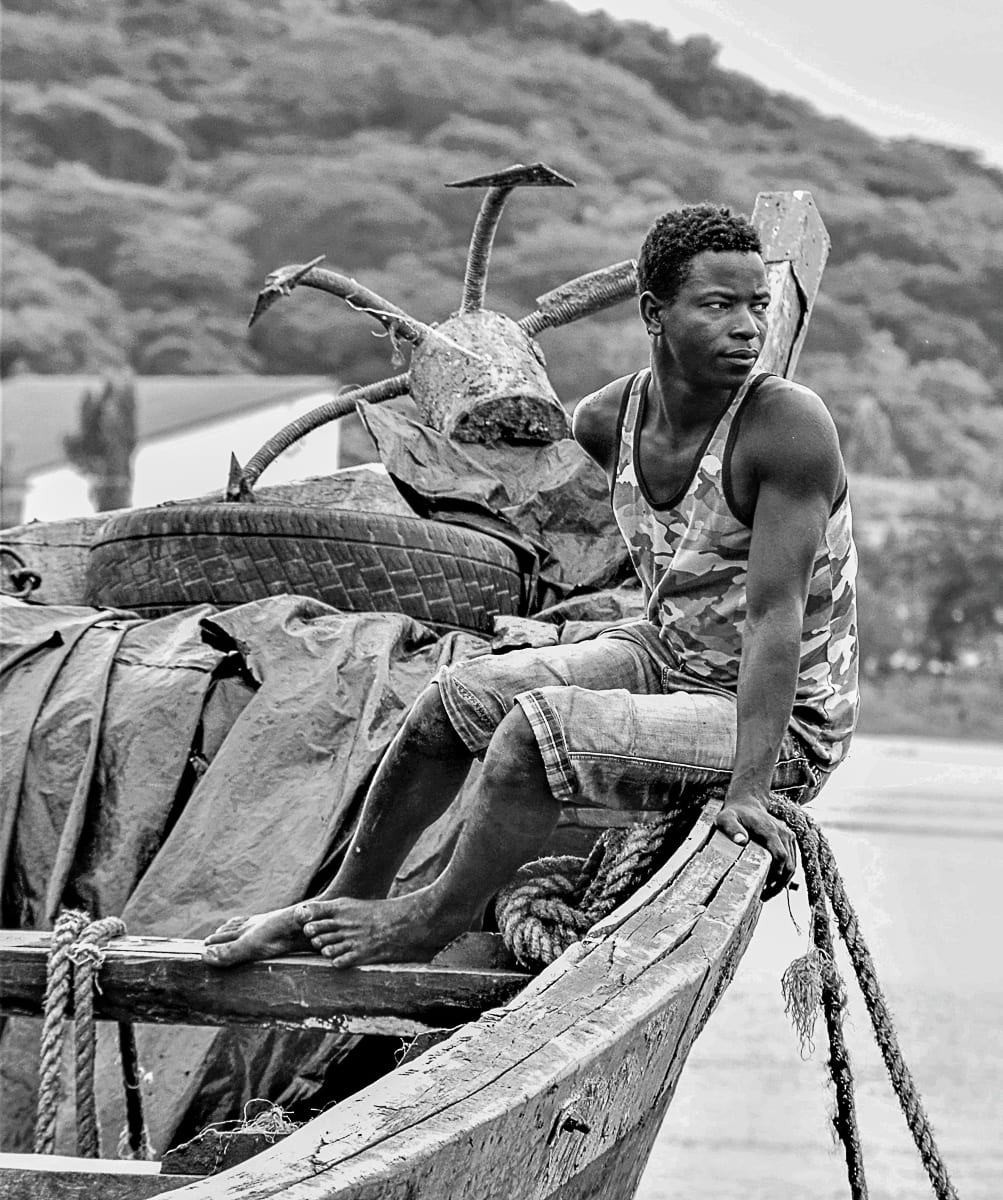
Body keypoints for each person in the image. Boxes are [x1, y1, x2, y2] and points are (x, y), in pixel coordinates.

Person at [204, 204, 858, 970]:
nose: (746, 327)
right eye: (717, 306)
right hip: (668, 655)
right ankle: (342, 897)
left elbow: (773, 617)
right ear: (653, 313)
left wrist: (747, 791)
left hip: (781, 724)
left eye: (756, 306)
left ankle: (429, 918)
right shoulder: (607, 420)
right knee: (451, 703)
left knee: (532, 732)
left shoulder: (786, 427)